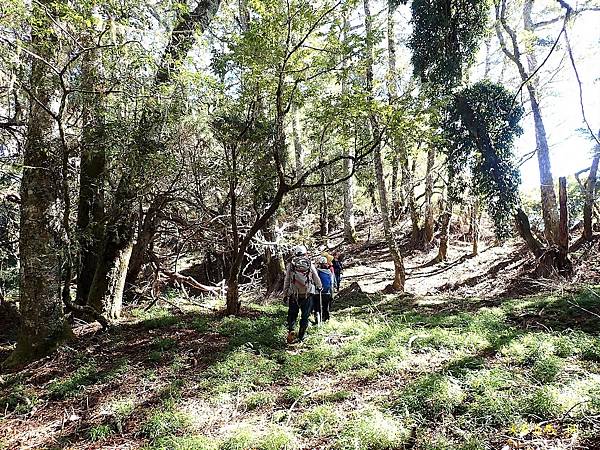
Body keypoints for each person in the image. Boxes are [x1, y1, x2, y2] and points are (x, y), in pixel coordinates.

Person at [283, 245, 322, 344]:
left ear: (295, 254)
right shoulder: (309, 264)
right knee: (305, 316)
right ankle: (301, 336)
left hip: (294, 294)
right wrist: (320, 286)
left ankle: (291, 329)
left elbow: (287, 280)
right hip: (307, 294)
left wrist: (285, 294)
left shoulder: (291, 265)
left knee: (292, 314)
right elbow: (316, 277)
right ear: (305, 253)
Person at [314, 256, 334, 324]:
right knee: (326, 307)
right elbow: (332, 284)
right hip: (327, 293)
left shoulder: (316, 271)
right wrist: (332, 294)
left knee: (317, 307)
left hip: (317, 293)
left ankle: (318, 321)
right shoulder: (329, 272)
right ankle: (326, 320)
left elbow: (314, 281)